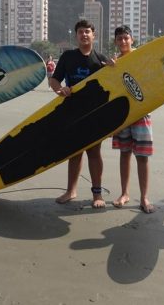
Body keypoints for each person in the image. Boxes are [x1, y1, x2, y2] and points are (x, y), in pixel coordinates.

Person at [50, 20, 110, 208]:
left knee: (94, 152)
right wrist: (60, 90)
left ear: (94, 35)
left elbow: (113, 86)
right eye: (81, 32)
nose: (84, 35)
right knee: (74, 153)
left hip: (95, 113)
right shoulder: (68, 57)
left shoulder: (101, 59)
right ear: (76, 36)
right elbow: (54, 80)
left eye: (87, 32)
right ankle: (71, 190)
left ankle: (97, 194)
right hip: (72, 112)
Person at [110, 26, 156, 213]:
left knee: (142, 157)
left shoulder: (142, 57)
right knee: (124, 154)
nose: (123, 42)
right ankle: (124, 193)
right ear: (115, 41)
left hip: (141, 113)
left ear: (132, 39)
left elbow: (155, 79)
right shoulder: (114, 62)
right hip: (122, 115)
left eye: (126, 38)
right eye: (119, 39)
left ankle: (144, 197)